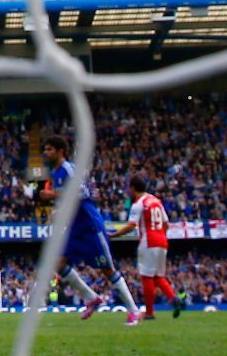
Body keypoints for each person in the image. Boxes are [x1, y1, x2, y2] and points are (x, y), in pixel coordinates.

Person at [37, 136, 139, 326]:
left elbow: (82, 193)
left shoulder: (69, 169)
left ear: (60, 151)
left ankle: (134, 311)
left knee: (107, 270)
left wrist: (53, 194)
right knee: (58, 263)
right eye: (45, 149)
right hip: (75, 226)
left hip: (90, 225)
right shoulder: (55, 173)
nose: (46, 153)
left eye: (49, 149)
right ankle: (91, 297)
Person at [114, 173, 181, 320]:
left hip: (148, 241)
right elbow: (166, 223)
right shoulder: (156, 200)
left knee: (146, 277)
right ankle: (174, 298)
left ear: (133, 188)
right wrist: (160, 236)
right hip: (162, 241)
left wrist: (113, 235)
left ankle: (150, 313)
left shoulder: (138, 203)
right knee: (158, 276)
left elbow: (131, 225)